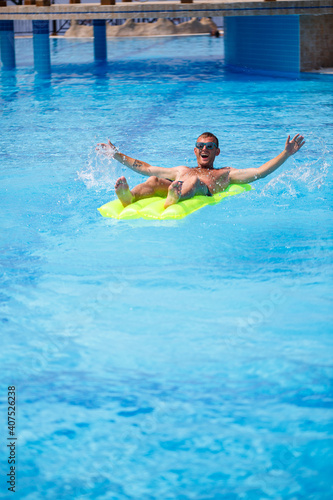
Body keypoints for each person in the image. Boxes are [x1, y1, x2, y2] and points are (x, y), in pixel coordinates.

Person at [97, 132, 305, 209]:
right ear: (195, 150)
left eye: (210, 147)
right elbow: (146, 167)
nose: (204, 149)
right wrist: (116, 154)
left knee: (194, 182)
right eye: (200, 146)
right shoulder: (182, 169)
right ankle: (128, 197)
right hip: (176, 187)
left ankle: (174, 198)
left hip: (199, 190)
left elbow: (261, 172)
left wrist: (285, 154)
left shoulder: (225, 173)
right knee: (153, 179)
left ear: (217, 152)